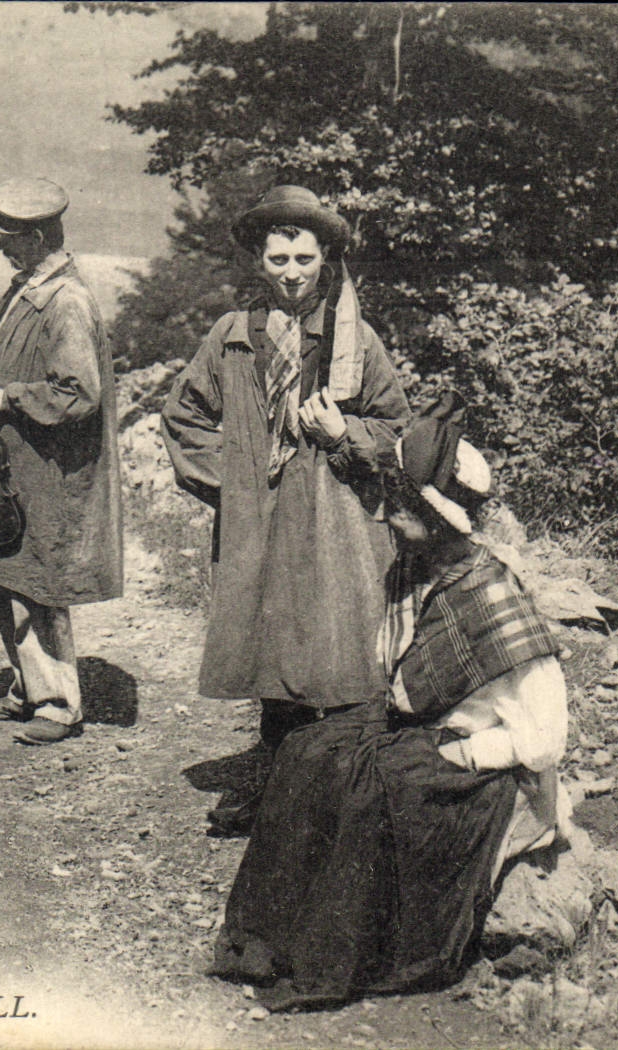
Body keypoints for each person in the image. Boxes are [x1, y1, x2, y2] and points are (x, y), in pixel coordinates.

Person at [210, 397, 568, 1010]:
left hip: (488, 767)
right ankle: (262, 940)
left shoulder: (493, 600)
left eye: (400, 510)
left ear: (438, 518)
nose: (387, 520)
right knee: (304, 750)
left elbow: (541, 740)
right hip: (422, 724)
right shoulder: (417, 567)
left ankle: (335, 957)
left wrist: (464, 751)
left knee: (371, 784)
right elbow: (400, 677)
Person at [162, 185, 411, 827]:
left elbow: (396, 430)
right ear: (258, 262)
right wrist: (237, 480)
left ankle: (343, 795)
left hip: (338, 521)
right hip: (263, 521)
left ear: (325, 256)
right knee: (272, 652)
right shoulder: (234, 336)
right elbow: (183, 416)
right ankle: (271, 787)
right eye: (278, 260)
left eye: (304, 259)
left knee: (336, 653)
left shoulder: (354, 339)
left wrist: (341, 435)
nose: (292, 274)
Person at [0, 177, 122, 745]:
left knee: (40, 579)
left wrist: (4, 397)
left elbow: (79, 393)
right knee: (6, 570)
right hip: (15, 465)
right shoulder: (26, 291)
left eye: (10, 237)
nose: (2, 246)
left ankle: (59, 703)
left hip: (49, 469)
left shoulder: (67, 300)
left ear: (37, 237)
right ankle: (29, 687)